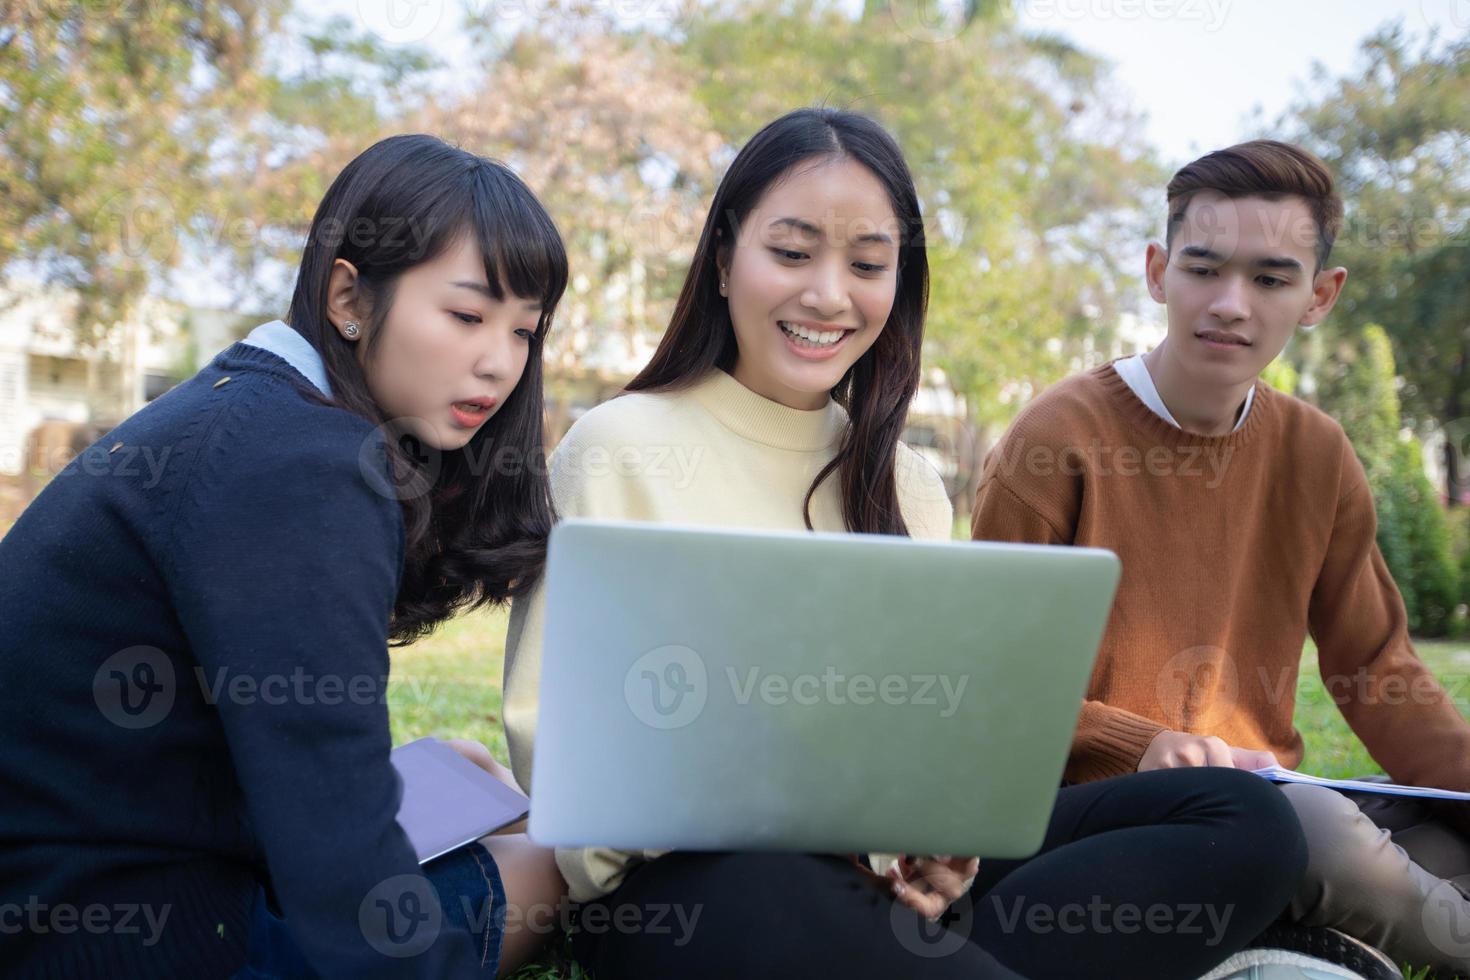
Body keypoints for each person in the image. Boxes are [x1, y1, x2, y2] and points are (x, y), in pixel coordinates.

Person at [502, 108, 1308, 979]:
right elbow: (556, 741)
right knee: (784, 884)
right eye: (792, 251)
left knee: (1242, 819)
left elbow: (921, 742)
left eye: (867, 264)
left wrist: (929, 848)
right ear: (726, 257)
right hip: (694, 889)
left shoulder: (909, 486)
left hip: (871, 889)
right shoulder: (621, 444)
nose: (828, 295)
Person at [0, 134, 570, 978]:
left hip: (83, 865)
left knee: (466, 774)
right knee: (557, 860)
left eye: (524, 331)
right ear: (349, 295)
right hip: (123, 933)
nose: (499, 362)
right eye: (465, 315)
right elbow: (332, 834)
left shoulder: (245, 407)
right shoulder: (308, 465)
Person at [971, 138, 1470, 977]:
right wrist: (1143, 744)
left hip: (1271, 804)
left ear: (1319, 296)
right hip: (1106, 822)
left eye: (1271, 280)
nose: (1231, 304)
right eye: (1204, 270)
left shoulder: (1316, 453)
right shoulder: (1055, 439)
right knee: (1316, 834)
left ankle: (1300, 936)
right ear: (1158, 270)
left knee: (1431, 839)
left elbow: (1376, 669)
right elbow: (989, 685)